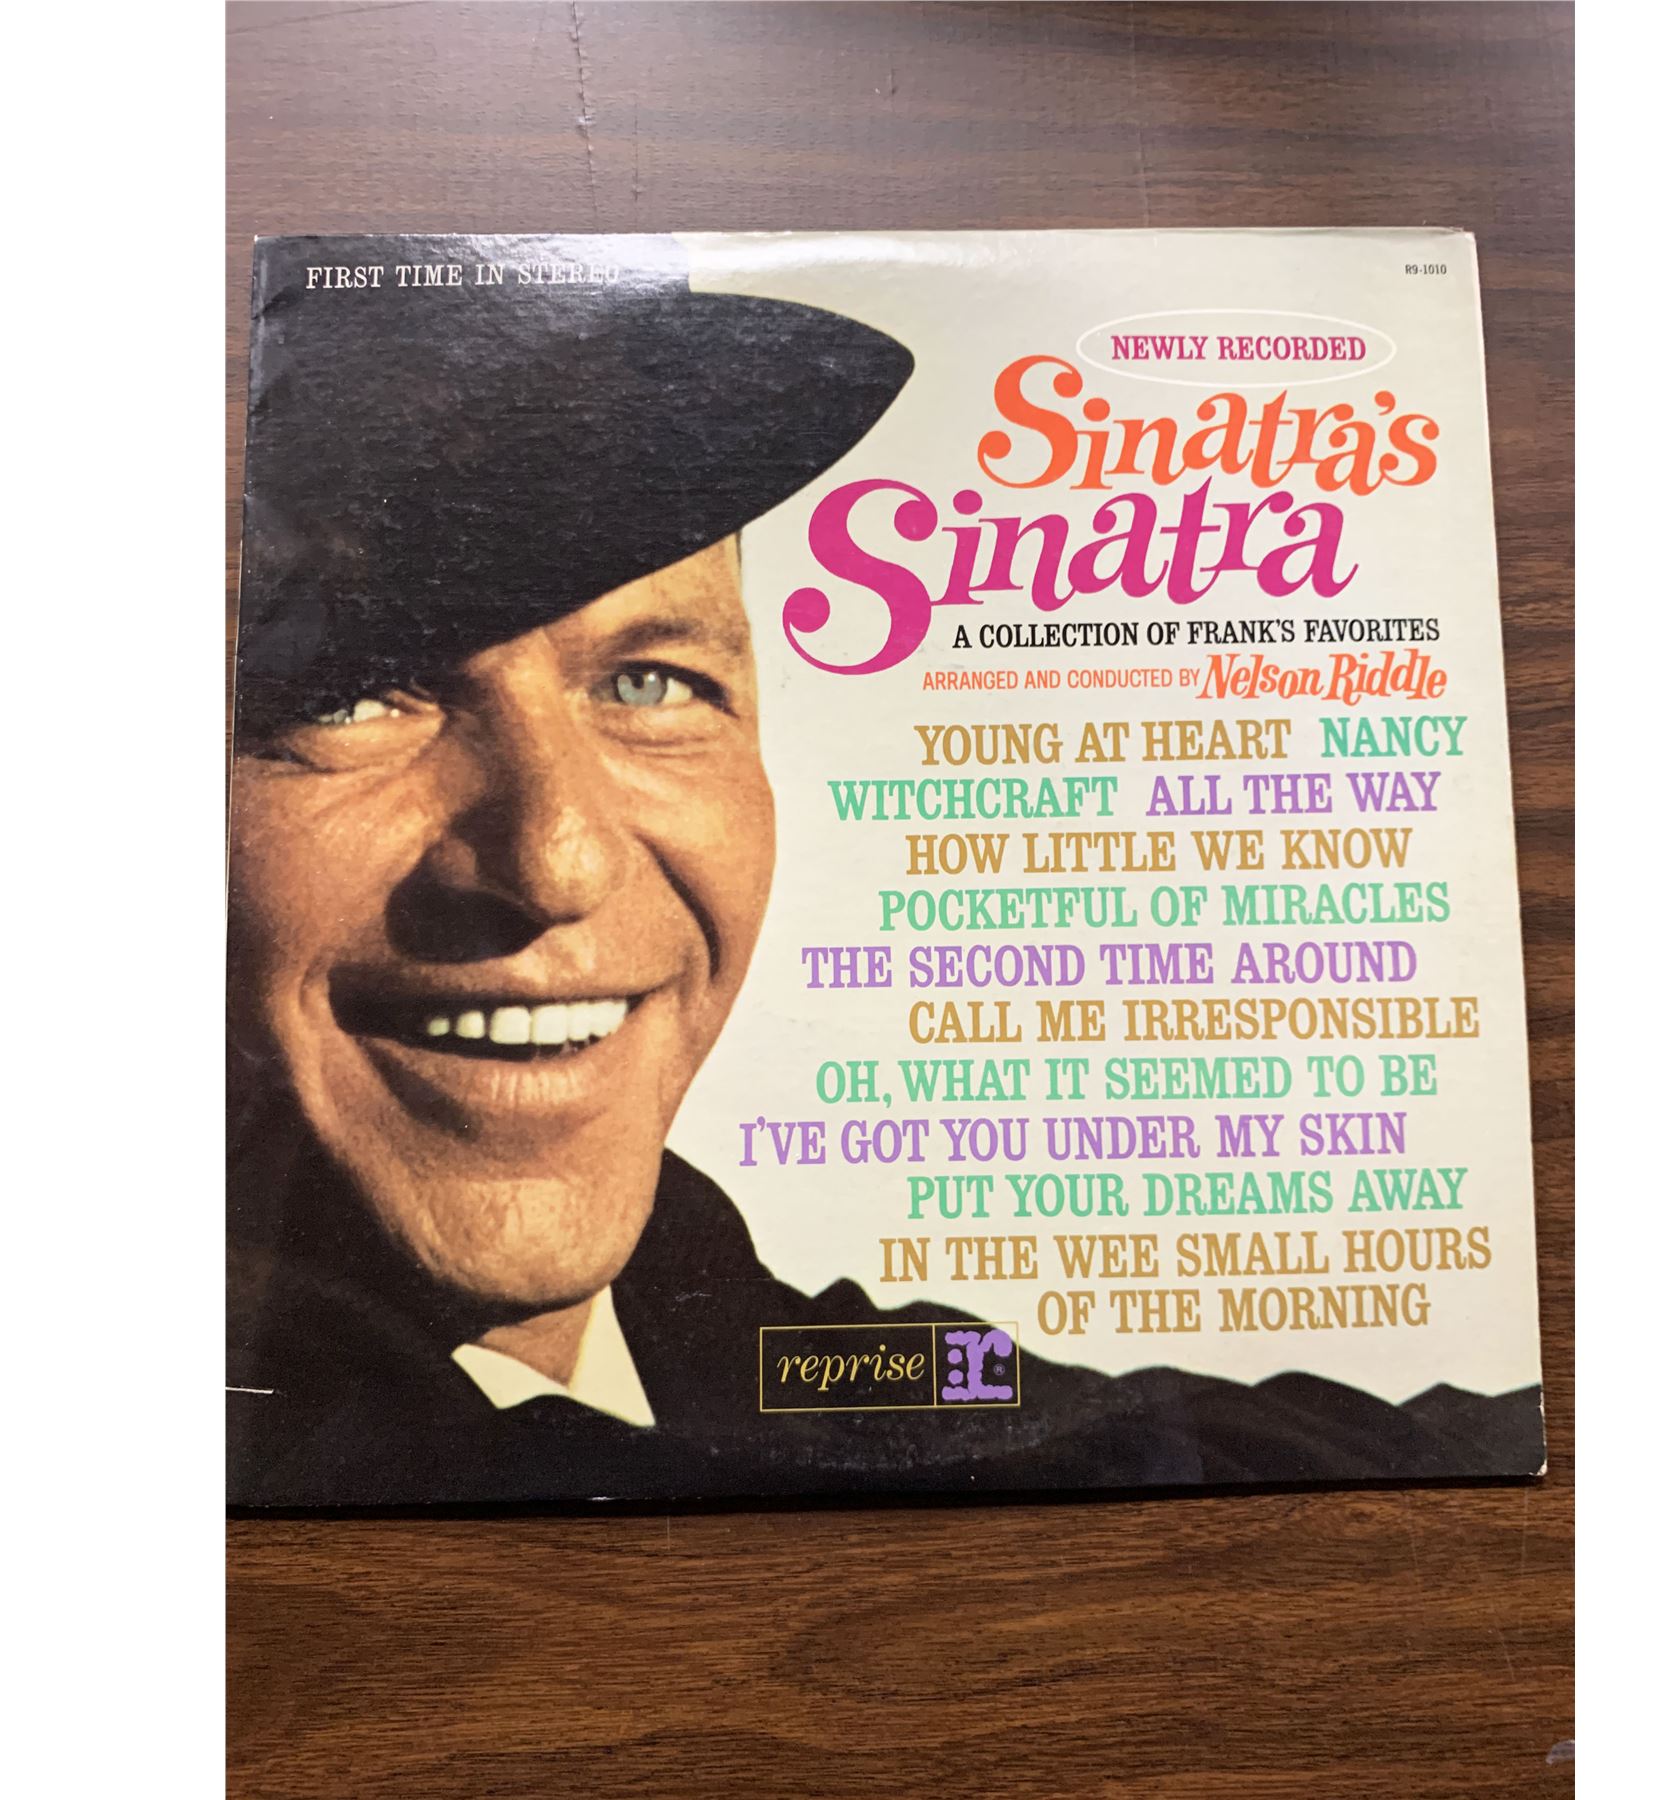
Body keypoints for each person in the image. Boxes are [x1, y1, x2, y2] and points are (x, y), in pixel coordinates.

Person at [228, 235, 1543, 1505]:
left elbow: (1140, 1437)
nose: (557, 861)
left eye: (648, 683)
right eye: (348, 696)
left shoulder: (726, 1330)